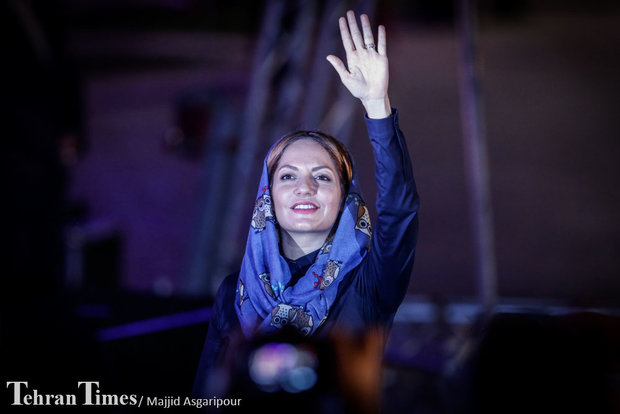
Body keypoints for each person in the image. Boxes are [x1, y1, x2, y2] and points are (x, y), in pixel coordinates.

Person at [193, 10, 419, 404]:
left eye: (323, 176)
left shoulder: (366, 283)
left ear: (345, 197)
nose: (305, 187)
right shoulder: (234, 291)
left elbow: (400, 211)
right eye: (287, 176)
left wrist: (377, 105)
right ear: (269, 196)